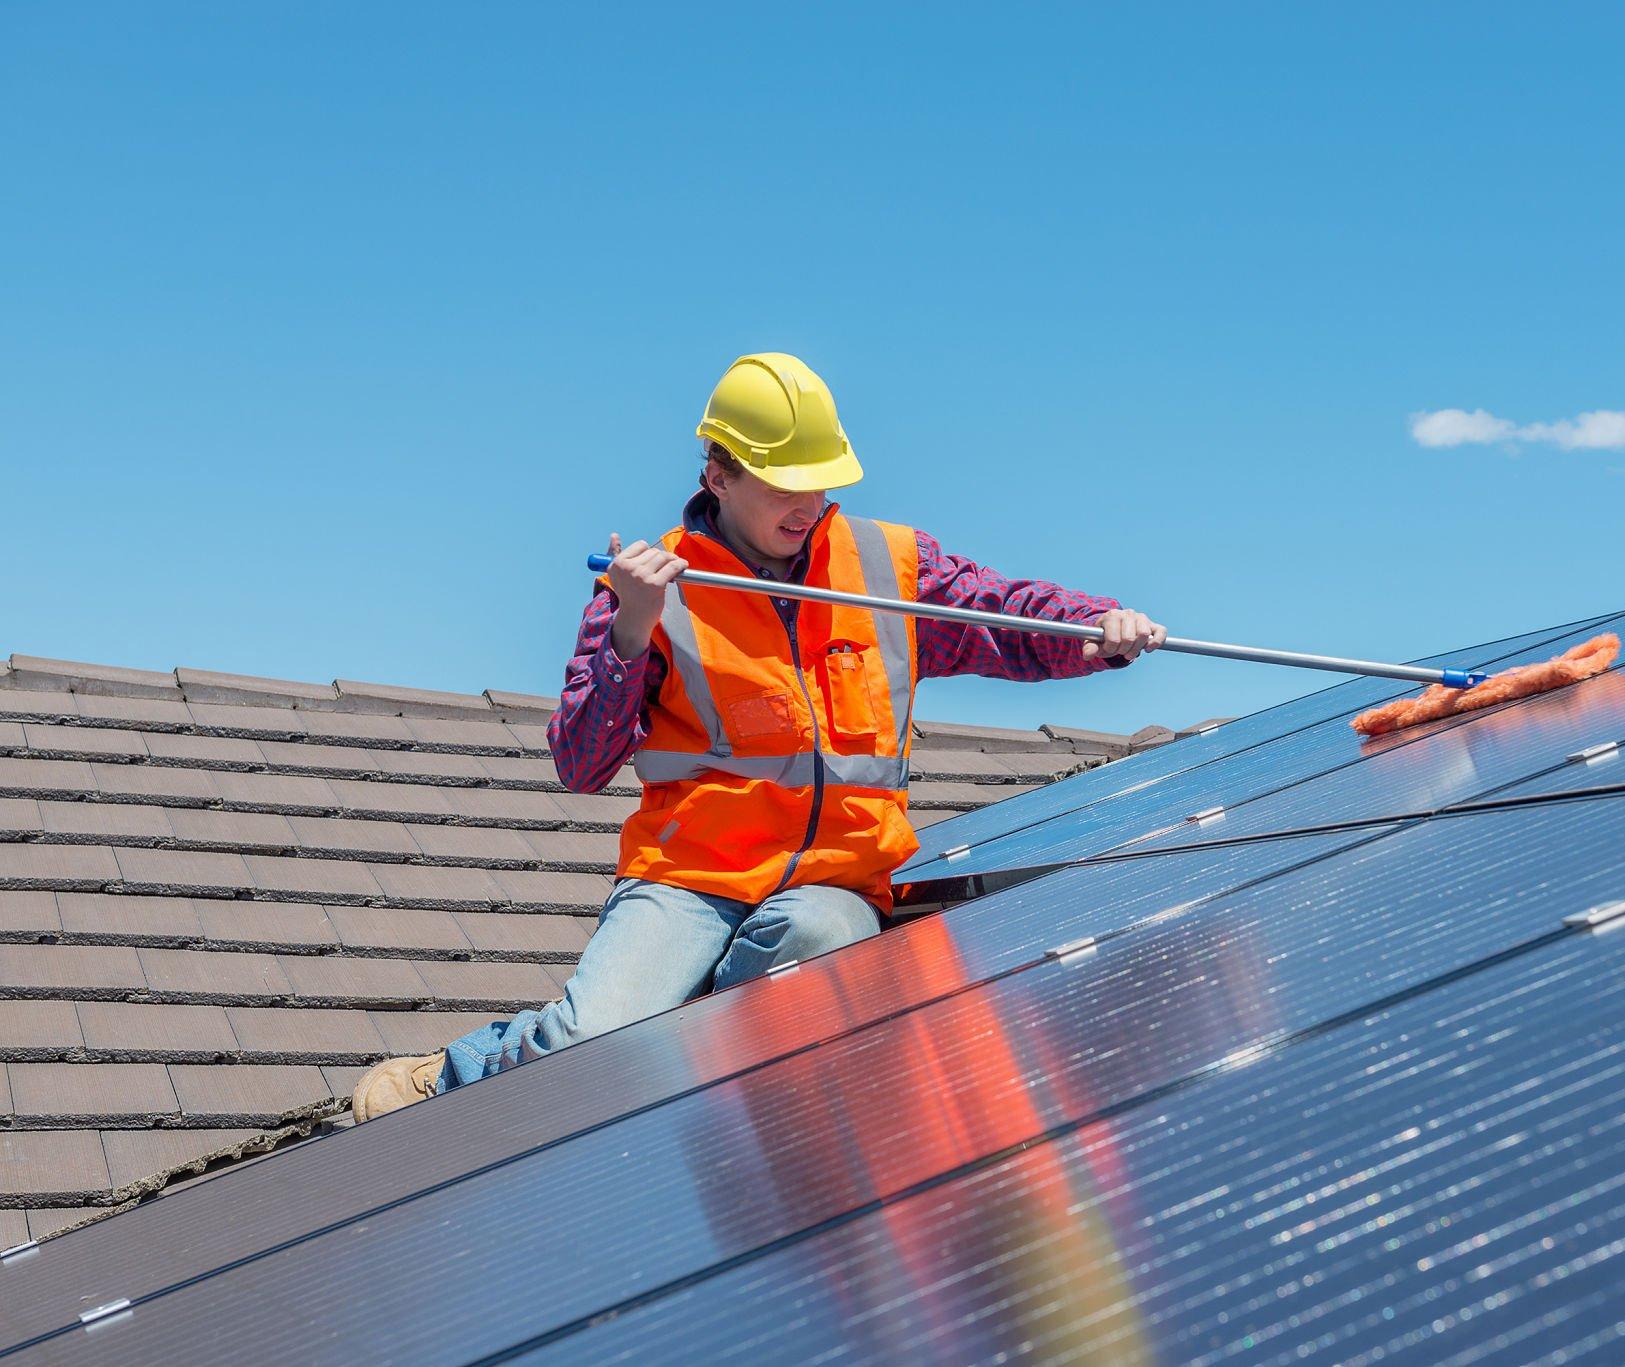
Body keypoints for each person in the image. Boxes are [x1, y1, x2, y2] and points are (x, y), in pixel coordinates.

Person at [352, 353, 1164, 1121]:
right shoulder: (650, 583)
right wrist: (631, 632)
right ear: (719, 475)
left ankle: (689, 1018)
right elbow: (580, 760)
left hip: (834, 883)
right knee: (593, 1046)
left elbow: (1004, 617)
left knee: (829, 951)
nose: (806, 504)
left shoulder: (887, 566)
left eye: (821, 482)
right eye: (783, 484)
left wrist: (1096, 628)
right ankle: (457, 1071)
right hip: (690, 875)